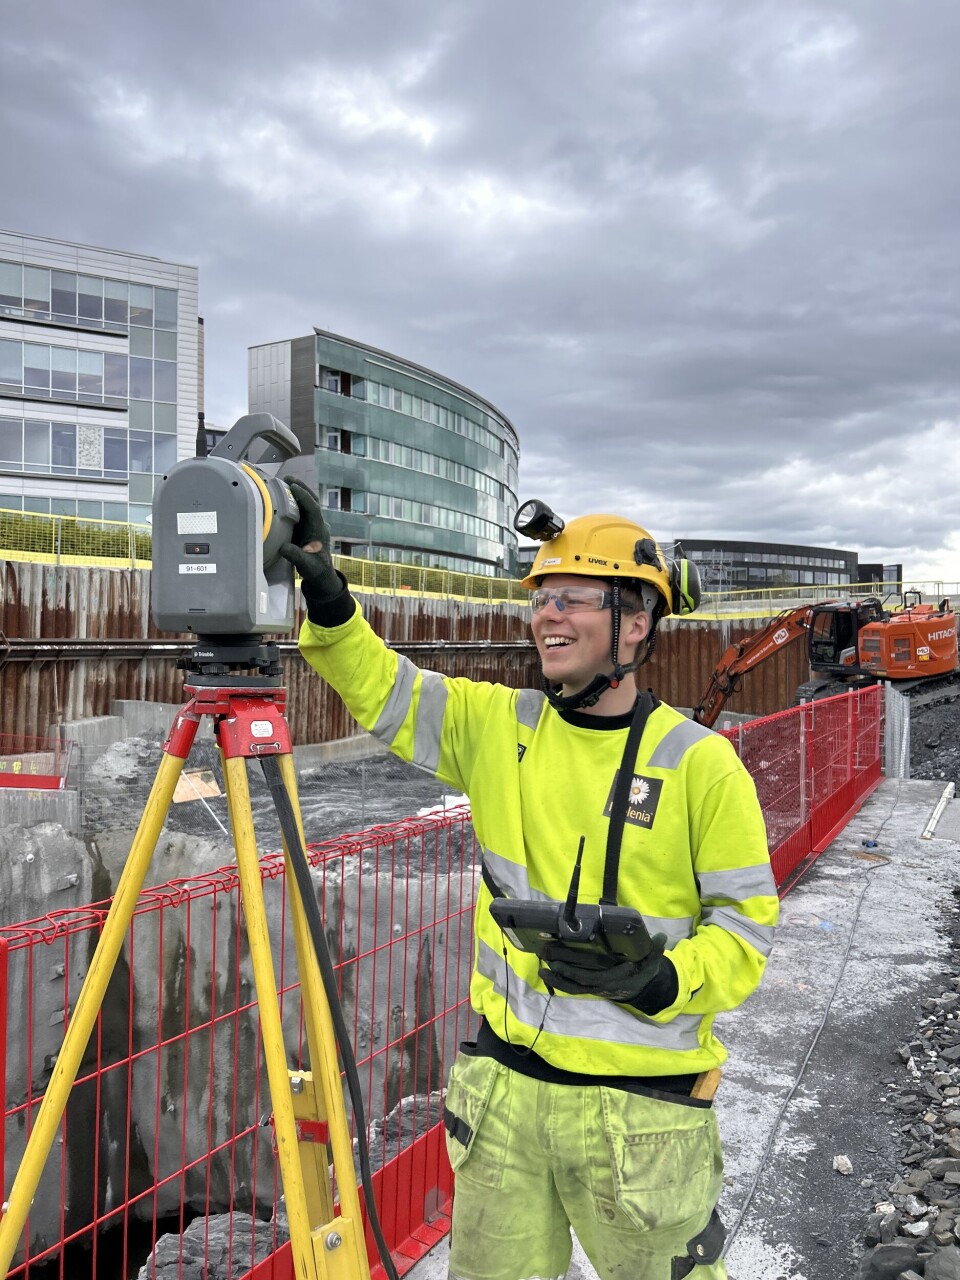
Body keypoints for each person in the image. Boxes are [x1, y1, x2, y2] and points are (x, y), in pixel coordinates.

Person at [281, 483, 778, 1280]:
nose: (547, 613)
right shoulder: (497, 727)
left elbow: (746, 929)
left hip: (642, 1120)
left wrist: (663, 979)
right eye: (541, 596)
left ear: (636, 622)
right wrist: (328, 596)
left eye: (574, 598)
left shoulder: (700, 764)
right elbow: (383, 688)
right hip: (503, 1097)